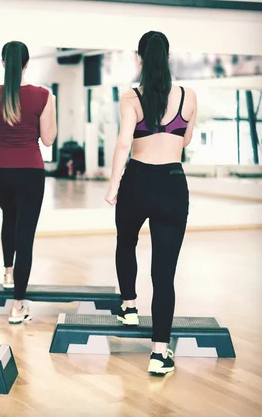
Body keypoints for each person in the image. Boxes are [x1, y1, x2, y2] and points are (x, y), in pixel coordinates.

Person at [104, 31, 197, 375]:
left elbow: (123, 143)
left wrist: (114, 186)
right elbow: (184, 138)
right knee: (164, 274)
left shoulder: (131, 97)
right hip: (173, 185)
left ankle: (128, 305)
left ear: (140, 59)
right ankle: (160, 353)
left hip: (137, 182)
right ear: (168, 57)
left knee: (125, 241)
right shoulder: (188, 97)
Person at [0, 41, 57, 324]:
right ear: (26, 63)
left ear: (2, 63)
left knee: (9, 217)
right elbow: (48, 140)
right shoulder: (44, 96)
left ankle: (8, 273)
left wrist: (2, 144)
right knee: (26, 235)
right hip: (30, 172)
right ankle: (18, 304)